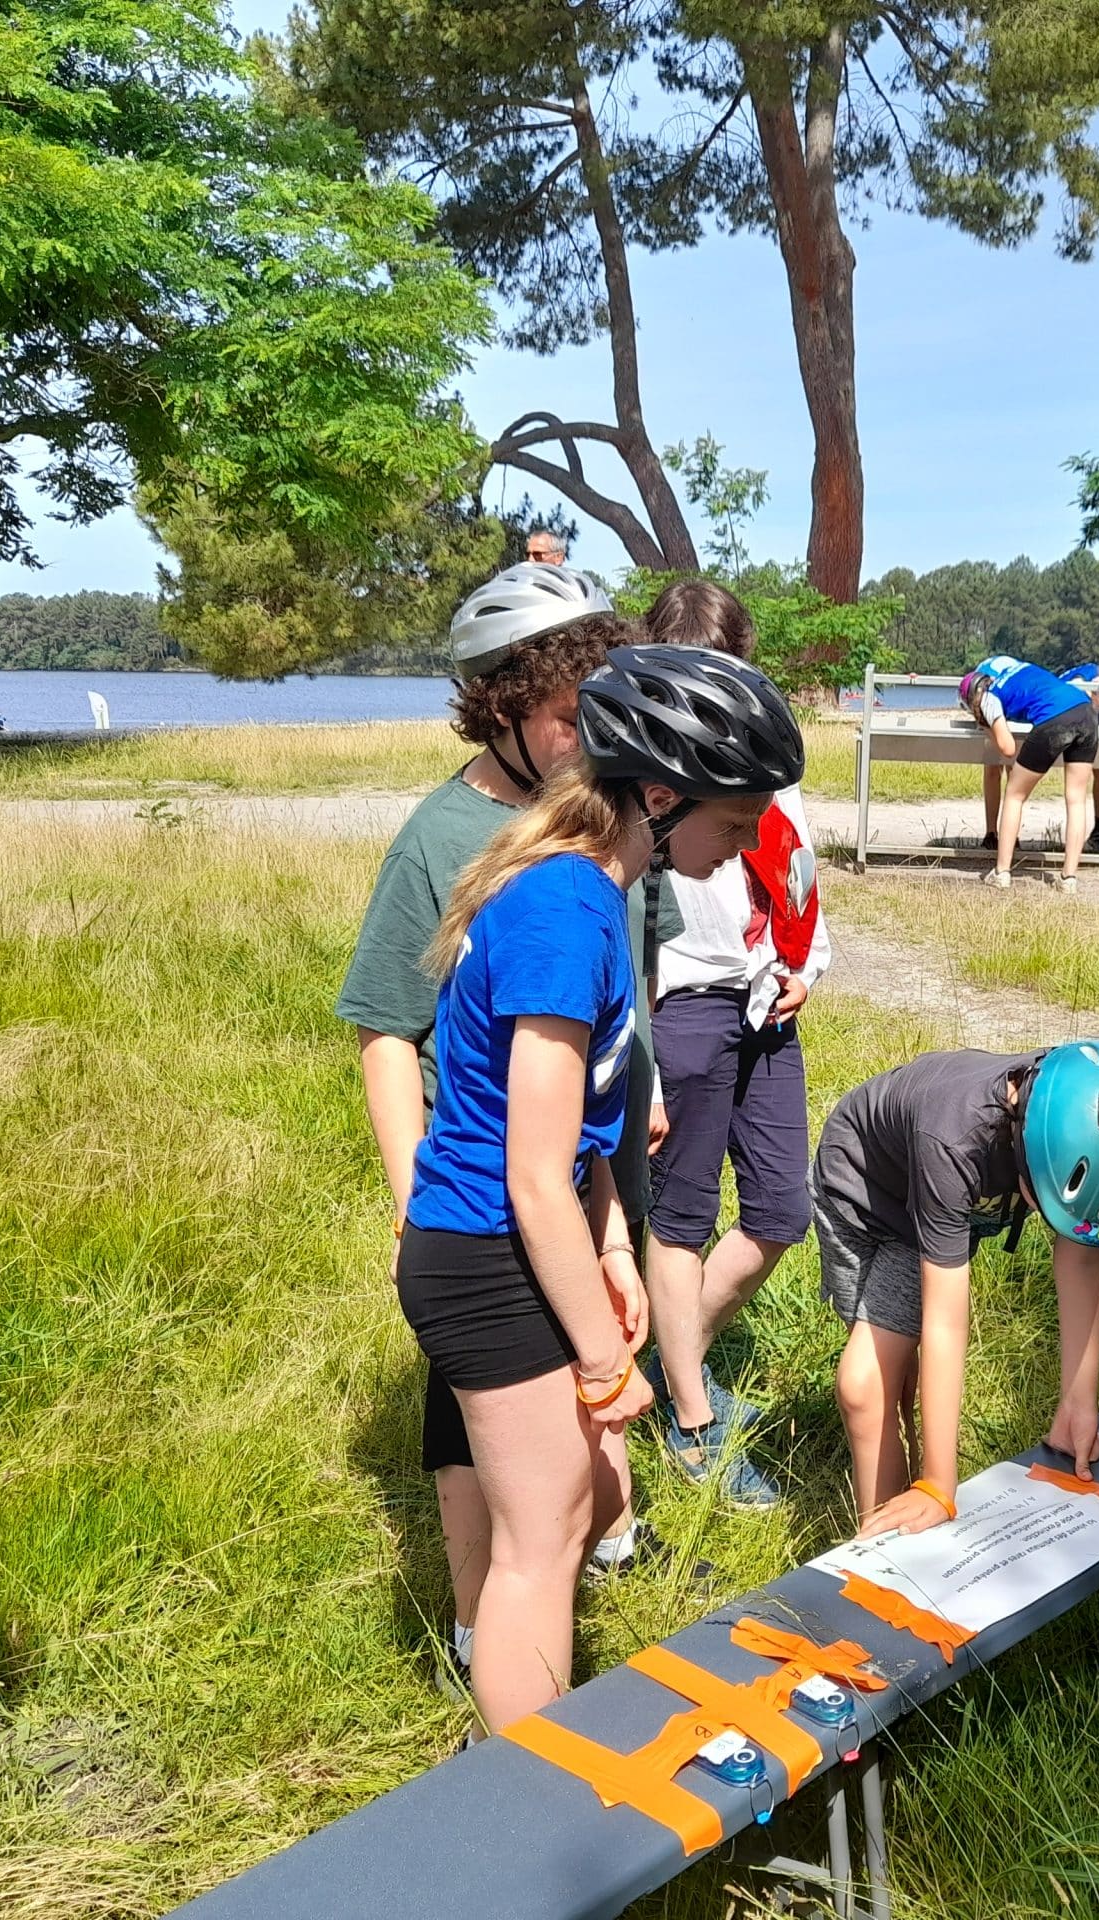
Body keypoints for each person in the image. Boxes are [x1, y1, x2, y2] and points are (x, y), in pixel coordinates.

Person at [397, 645, 805, 1730]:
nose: (745, 846)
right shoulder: (565, 913)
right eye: (735, 822)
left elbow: (579, 1141)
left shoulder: (594, 895)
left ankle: (538, 1762)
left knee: (569, 1516)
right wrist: (599, 1359)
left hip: (521, 1242)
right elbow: (531, 1174)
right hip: (483, 1254)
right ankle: (529, 1797)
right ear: (661, 798)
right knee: (541, 1545)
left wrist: (615, 1249)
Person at [334, 562, 650, 1687]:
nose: (586, 738)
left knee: (575, 1434)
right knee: (481, 1432)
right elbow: (386, 1030)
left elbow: (620, 989)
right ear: (504, 709)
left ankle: (567, 1581)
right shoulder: (442, 836)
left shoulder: (616, 806)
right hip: (483, 1186)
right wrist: (408, 1198)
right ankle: (484, 1629)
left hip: (586, 1159)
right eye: (567, 716)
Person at [636, 580, 831, 1507]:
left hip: (765, 1006)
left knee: (782, 1211)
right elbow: (625, 925)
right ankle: (690, 1419)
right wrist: (642, 1067)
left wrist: (807, 965)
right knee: (680, 1218)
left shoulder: (765, 753)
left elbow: (796, 870)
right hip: (684, 1008)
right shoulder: (644, 775)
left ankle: (670, 1360)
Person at [813, 1041, 1099, 1535]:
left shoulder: (1071, 1108)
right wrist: (939, 1484)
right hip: (864, 1195)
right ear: (1027, 1150)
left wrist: (1078, 1401)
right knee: (867, 1388)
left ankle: (908, 1502)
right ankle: (886, 1552)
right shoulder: (955, 1141)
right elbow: (946, 1320)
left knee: (878, 1380)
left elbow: (1084, 1256)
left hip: (945, 1203)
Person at [959, 655, 1099, 894]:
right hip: (1085, 711)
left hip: (1054, 717)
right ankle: (1069, 878)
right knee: (1076, 799)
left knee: (1015, 795)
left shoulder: (989, 697)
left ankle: (1002, 872)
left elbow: (1007, 748)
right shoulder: (1017, 670)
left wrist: (986, 727)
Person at [1055, 663, 1099, 855]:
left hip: (1097, 697)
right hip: (1071, 706)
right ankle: (1074, 830)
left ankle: (1098, 830)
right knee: (1075, 773)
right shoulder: (1068, 689)